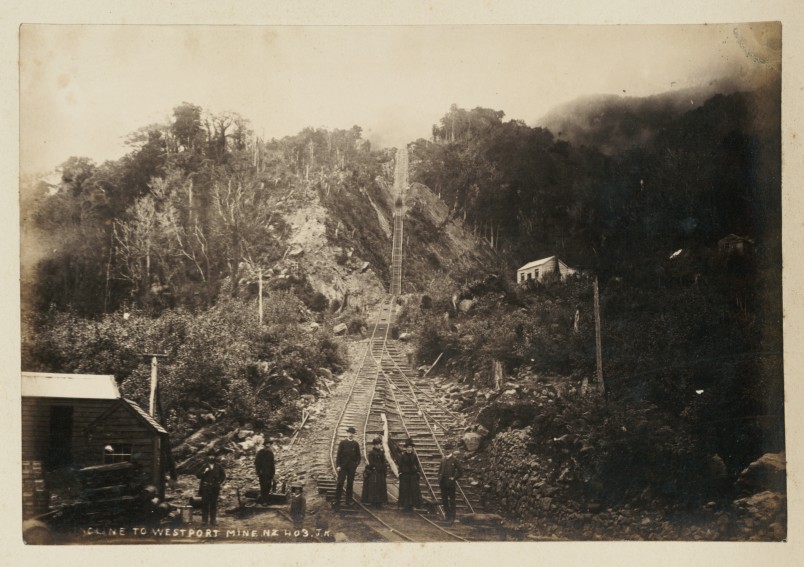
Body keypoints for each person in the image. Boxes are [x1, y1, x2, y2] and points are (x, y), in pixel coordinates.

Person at [334, 426, 361, 510]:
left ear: (354, 435)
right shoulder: (342, 443)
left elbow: (359, 456)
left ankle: (348, 500)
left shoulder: (355, 444)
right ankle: (337, 499)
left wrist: (355, 464)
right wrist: (338, 465)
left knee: (350, 483)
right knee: (340, 482)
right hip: (342, 466)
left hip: (351, 468)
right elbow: (338, 455)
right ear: (347, 433)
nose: (351, 435)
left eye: (352, 433)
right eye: (349, 433)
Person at [197, 454, 226, 526]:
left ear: (215, 457)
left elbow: (223, 475)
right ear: (207, 457)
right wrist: (204, 472)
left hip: (215, 488)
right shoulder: (204, 466)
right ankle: (204, 521)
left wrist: (219, 482)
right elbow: (198, 475)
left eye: (213, 456)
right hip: (206, 487)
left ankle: (213, 521)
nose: (211, 457)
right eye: (210, 456)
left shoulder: (218, 466)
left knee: (213, 504)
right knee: (205, 504)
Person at [395, 438, 422, 513]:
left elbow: (417, 464)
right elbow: (400, 465)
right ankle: (405, 506)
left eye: (410, 447)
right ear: (406, 448)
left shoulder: (414, 456)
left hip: (413, 475)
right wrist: (400, 472)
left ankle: (412, 505)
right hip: (405, 476)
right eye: (408, 447)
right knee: (405, 490)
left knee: (413, 490)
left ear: (412, 448)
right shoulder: (403, 456)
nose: (409, 449)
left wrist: (418, 472)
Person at [438, 442, 462, 523]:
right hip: (443, 483)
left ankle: (452, 517)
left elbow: (461, 471)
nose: (447, 451)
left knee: (452, 501)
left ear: (451, 450)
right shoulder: (443, 459)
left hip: (451, 484)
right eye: (446, 449)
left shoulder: (455, 460)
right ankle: (447, 516)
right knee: (444, 500)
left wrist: (454, 478)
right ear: (444, 450)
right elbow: (440, 471)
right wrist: (439, 478)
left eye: (449, 449)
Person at [361, 436, 389, 508]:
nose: (380, 445)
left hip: (380, 472)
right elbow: (371, 463)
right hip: (374, 472)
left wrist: (384, 469)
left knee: (380, 487)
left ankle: (379, 502)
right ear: (375, 445)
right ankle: (373, 502)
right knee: (374, 487)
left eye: (380, 444)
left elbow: (383, 462)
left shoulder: (382, 453)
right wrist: (377, 467)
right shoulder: (371, 453)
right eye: (378, 444)